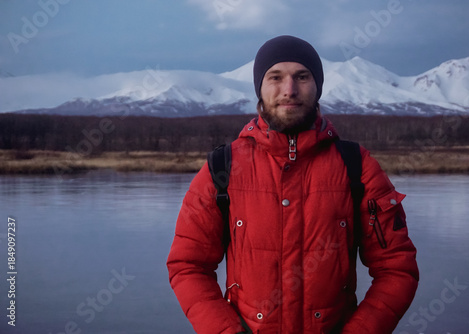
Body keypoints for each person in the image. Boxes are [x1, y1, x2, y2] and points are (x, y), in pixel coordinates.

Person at [167, 35, 419, 334]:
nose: (289, 90)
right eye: (275, 77)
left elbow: (397, 269)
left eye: (302, 76)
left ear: (317, 86)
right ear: (259, 87)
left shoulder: (357, 166)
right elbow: (187, 266)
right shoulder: (222, 168)